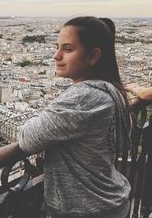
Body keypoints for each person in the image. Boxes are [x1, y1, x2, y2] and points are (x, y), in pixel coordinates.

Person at [18, 16, 135, 218]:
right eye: (57, 47)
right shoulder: (112, 91)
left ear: (93, 56)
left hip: (84, 209)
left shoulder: (83, 99)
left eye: (68, 49)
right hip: (110, 202)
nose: (56, 55)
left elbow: (27, 139)